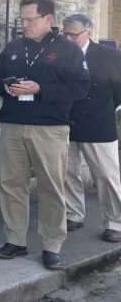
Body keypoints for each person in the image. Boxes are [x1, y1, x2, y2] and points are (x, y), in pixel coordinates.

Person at [0, 0, 90, 270]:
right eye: (22, 19)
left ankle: (51, 246)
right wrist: (5, 87)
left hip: (50, 128)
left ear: (48, 19)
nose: (25, 24)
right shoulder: (13, 46)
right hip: (12, 125)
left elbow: (80, 88)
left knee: (51, 188)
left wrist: (40, 89)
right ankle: (15, 241)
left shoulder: (68, 50)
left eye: (30, 19)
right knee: (11, 185)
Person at [61, 13, 121, 242]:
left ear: (89, 33)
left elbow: (118, 90)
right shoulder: (59, 54)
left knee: (106, 175)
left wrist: (104, 109)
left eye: (73, 34)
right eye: (64, 33)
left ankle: (115, 222)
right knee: (66, 172)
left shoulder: (110, 57)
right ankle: (73, 214)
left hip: (98, 123)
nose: (68, 38)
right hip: (65, 121)